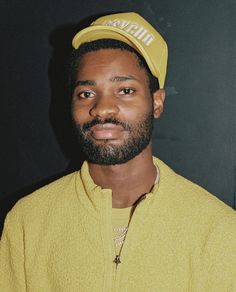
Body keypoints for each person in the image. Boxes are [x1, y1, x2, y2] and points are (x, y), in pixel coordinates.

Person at [0, 12, 236, 292]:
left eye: (125, 90)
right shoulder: (28, 221)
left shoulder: (219, 231)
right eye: (86, 93)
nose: (102, 108)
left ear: (157, 102)